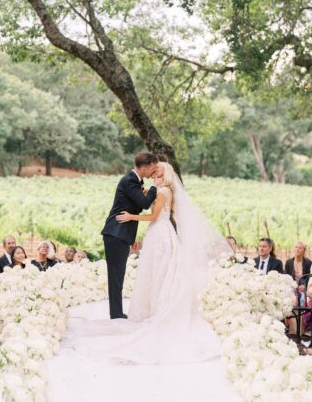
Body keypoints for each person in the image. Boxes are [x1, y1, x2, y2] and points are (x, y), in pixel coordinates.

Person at [72, 160, 231, 365]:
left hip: (159, 233)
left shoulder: (163, 191)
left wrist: (131, 216)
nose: (155, 172)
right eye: (154, 170)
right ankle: (152, 307)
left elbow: (154, 215)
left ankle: (156, 311)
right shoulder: (166, 190)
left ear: (165, 174)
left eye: (158, 170)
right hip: (162, 233)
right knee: (161, 272)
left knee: (157, 272)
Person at [101, 151, 158, 319]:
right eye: (152, 169)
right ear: (144, 168)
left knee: (118, 274)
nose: (153, 172)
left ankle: (116, 313)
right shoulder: (130, 180)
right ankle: (116, 314)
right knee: (116, 275)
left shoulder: (135, 181)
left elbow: (134, 207)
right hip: (115, 233)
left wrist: (131, 239)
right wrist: (155, 186)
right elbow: (145, 204)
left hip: (121, 234)